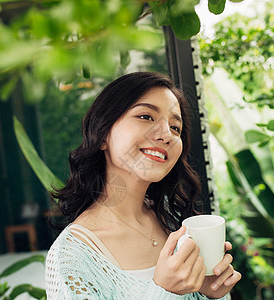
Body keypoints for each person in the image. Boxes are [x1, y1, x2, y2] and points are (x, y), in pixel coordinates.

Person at [45, 72, 242, 299]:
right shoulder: (72, 257)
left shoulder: (172, 220)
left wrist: (209, 293)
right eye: (146, 116)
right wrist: (164, 291)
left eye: (175, 128)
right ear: (101, 135)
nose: (166, 135)